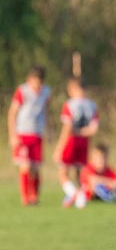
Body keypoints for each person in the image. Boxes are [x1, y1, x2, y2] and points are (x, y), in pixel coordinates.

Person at [7, 65, 51, 206]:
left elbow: (46, 112)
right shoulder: (22, 91)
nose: (37, 85)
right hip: (22, 133)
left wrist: (49, 131)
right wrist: (12, 135)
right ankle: (25, 198)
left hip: (37, 133)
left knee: (36, 167)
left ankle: (35, 196)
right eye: (35, 81)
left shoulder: (46, 92)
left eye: (40, 82)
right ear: (29, 79)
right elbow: (12, 113)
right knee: (25, 165)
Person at [53, 77, 99, 208]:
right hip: (84, 142)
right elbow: (93, 130)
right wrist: (82, 132)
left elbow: (67, 128)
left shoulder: (70, 104)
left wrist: (59, 148)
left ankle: (74, 194)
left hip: (71, 141)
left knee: (62, 172)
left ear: (71, 89)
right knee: (80, 172)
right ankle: (80, 200)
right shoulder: (92, 105)